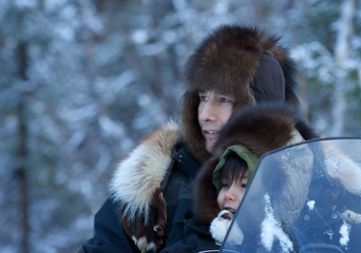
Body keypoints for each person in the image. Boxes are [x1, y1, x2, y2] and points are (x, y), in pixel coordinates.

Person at [78, 24, 316, 253]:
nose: (206, 115)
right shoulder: (159, 181)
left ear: (260, 110)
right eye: (202, 98)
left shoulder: (312, 180)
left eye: (223, 100)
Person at [159, 103, 316, 253]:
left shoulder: (281, 246)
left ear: (267, 196)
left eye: (244, 185)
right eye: (225, 185)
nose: (229, 194)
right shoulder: (198, 243)